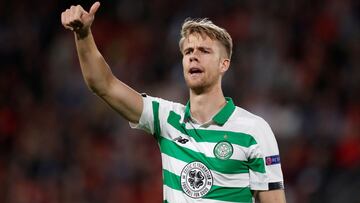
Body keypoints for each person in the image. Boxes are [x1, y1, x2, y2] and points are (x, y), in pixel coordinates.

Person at [61, 2, 286, 203]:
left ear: (224, 65)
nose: (193, 56)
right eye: (188, 51)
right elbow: (103, 85)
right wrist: (83, 35)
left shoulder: (254, 130)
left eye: (204, 51)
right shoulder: (166, 118)